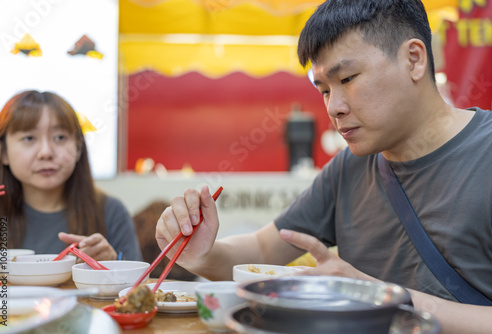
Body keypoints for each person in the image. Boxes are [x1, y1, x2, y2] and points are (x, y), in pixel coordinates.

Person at [155, 0, 492, 332]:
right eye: (324, 90)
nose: (334, 107)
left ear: (413, 59)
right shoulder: (349, 168)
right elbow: (263, 250)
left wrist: (380, 296)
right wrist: (202, 253)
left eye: (347, 78)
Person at [0, 90, 142, 261]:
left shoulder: (111, 212)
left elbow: (138, 286)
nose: (46, 152)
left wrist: (114, 266)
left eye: (60, 137)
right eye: (29, 138)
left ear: (78, 148)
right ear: (1, 151)